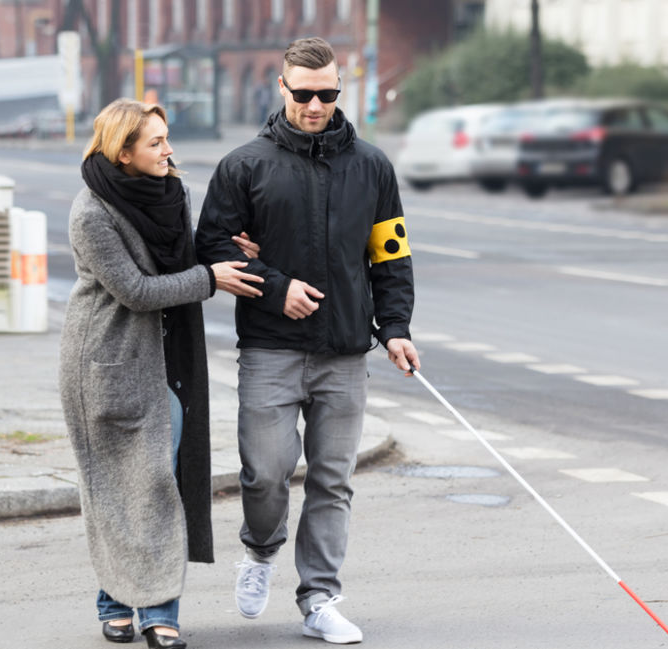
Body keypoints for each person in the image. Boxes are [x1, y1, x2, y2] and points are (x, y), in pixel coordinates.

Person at [195, 37, 420, 645]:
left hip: (346, 351)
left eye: (327, 94)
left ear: (339, 91)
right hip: (270, 347)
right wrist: (275, 289)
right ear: (283, 89)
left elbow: (391, 257)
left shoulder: (372, 167)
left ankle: (320, 597)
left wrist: (395, 329)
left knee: (332, 479)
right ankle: (261, 548)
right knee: (265, 474)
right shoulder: (245, 165)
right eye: (304, 94)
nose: (316, 105)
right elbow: (211, 248)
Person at [59, 99, 263, 648]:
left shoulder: (174, 193)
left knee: (160, 484)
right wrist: (209, 278)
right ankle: (126, 604)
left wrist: (227, 254)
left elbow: (181, 260)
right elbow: (138, 290)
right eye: (156, 143)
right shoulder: (91, 213)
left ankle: (153, 609)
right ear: (122, 152)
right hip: (110, 364)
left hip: (172, 360)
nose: (169, 151)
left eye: (167, 139)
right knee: (120, 487)